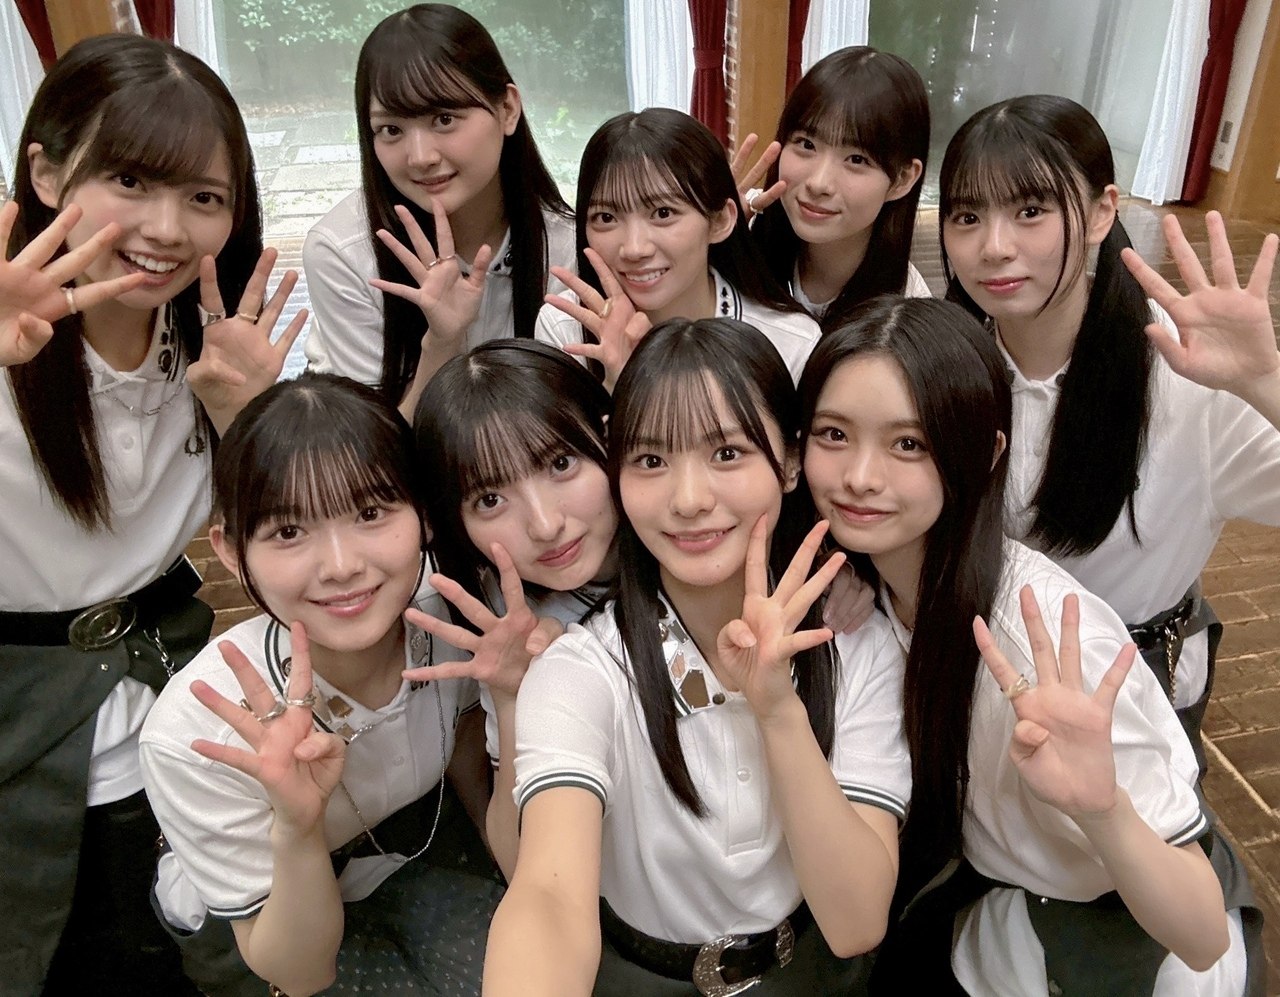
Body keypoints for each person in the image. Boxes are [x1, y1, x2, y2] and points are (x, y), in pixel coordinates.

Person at [800, 295, 1238, 995]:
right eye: (833, 434)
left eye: (909, 444)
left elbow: (1203, 934)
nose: (860, 476)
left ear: (986, 452)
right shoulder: (869, 580)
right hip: (987, 902)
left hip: (1115, 936)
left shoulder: (1042, 647)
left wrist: (1102, 809)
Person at [939, 95, 1278, 991]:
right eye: (967, 216)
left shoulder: (1186, 381)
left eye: (1030, 209)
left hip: (1131, 686)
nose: (994, 247)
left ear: (1099, 212)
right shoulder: (948, 365)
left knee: (1132, 891)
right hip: (978, 678)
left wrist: (1266, 384)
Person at [0, 34, 301, 995]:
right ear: (47, 172)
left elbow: (292, 551)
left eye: (204, 198)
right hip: (21, 729)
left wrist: (248, 419)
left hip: (173, 703)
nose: (167, 229)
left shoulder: (220, 349)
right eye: (129, 180)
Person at [485, 318, 909, 995]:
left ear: (791, 461)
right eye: (651, 461)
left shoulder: (859, 646)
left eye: (727, 452)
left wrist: (778, 710)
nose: (688, 500)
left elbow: (856, 922)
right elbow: (548, 897)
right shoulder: (582, 671)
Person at [141, 374, 502, 997]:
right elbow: (300, 973)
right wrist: (296, 829)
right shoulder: (195, 736)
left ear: (424, 514)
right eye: (288, 532)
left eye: (370, 513)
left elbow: (468, 742)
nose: (341, 567)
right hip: (262, 924)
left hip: (406, 850)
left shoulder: (450, 619)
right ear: (230, 550)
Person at [303, 3, 575, 413]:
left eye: (444, 119)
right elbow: (370, 446)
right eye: (391, 129)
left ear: (507, 109)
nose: (420, 157)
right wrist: (442, 343)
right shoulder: (345, 252)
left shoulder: (567, 245)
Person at [535, 108, 819, 390]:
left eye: (663, 213)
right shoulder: (566, 329)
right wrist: (614, 382)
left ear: (720, 221)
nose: (634, 249)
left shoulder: (789, 342)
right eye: (606, 217)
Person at [749, 46, 931, 330]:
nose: (819, 183)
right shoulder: (743, 229)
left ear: (902, 180)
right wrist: (714, 242)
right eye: (806, 144)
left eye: (856, 159)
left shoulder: (910, 317)